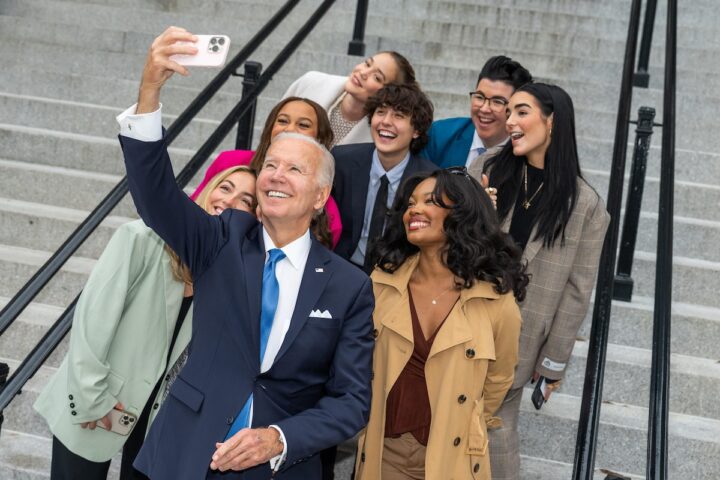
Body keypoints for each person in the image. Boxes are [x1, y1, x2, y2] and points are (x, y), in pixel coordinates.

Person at [117, 27, 375, 480]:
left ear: (320, 196)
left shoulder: (349, 286)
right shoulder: (222, 239)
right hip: (186, 455)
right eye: (270, 165)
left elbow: (351, 402)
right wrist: (150, 90)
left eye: (295, 168)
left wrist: (279, 437)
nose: (276, 175)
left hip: (279, 467)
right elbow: (156, 194)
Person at [33, 151, 257, 480]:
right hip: (94, 399)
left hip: (157, 421)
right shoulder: (141, 237)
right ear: (208, 190)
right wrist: (92, 399)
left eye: (246, 200)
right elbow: (91, 323)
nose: (230, 200)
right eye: (225, 188)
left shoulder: (228, 277)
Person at [354, 168, 527, 479]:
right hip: (386, 451)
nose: (414, 210)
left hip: (455, 457)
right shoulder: (382, 282)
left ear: (462, 214)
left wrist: (460, 422)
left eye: (430, 201)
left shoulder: (496, 300)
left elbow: (498, 380)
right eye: (409, 203)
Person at [479, 83, 610, 480]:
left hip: (520, 337)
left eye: (521, 112)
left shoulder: (584, 205)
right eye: (509, 111)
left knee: (496, 432)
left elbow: (577, 291)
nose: (509, 120)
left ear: (552, 121)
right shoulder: (486, 169)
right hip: (463, 319)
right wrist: (482, 214)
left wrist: (552, 366)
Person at [332, 83, 437, 272]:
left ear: (417, 131)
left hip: (397, 275)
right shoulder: (341, 161)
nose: (386, 122)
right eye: (380, 112)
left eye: (399, 115)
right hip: (341, 266)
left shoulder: (429, 179)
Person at [248, 96, 340, 248]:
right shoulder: (229, 161)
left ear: (319, 138)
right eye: (283, 121)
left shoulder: (329, 213)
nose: (289, 129)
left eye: (303, 125)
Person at [283, 51, 417, 147]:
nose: (363, 73)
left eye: (376, 77)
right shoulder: (310, 83)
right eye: (367, 64)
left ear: (389, 94)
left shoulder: (382, 135)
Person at [422, 55, 532, 169]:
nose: (484, 109)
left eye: (497, 101)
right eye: (479, 97)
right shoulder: (439, 135)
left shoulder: (528, 156)